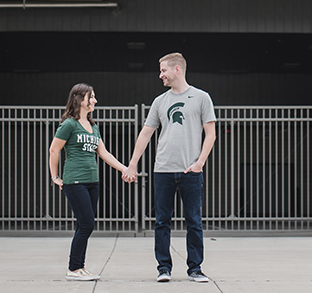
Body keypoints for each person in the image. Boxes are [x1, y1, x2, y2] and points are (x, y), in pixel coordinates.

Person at [123, 52, 216, 283]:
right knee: (162, 221)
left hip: (190, 171)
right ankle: (163, 268)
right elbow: (146, 134)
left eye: (163, 70)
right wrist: (132, 164)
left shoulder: (202, 97)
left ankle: (195, 269)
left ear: (177, 69)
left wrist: (200, 163)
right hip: (162, 169)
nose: (160, 75)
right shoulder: (160, 101)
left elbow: (211, 134)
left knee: (193, 220)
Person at [49, 83, 131, 281]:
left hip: (92, 182)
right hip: (75, 181)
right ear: (79, 99)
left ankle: (79, 267)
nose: (95, 100)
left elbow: (103, 153)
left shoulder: (93, 126)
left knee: (83, 225)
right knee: (87, 224)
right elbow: (54, 150)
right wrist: (55, 176)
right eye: (91, 97)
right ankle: (73, 269)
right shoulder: (69, 124)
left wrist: (125, 169)